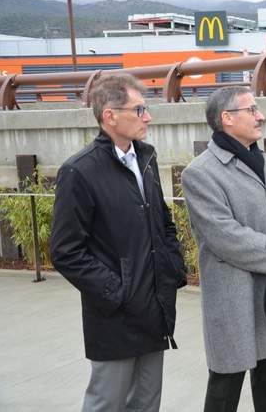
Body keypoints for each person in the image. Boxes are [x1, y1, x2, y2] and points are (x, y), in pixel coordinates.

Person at [50, 74, 188, 412]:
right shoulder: (80, 172)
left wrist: (172, 268)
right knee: (107, 402)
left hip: (154, 307)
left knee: (146, 401)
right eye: (139, 110)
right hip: (115, 316)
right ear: (109, 116)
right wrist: (118, 290)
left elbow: (163, 222)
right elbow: (66, 251)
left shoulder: (146, 158)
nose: (148, 118)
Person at [181, 86, 266, 412]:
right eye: (251, 109)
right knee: (225, 387)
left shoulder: (265, 161)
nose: (260, 115)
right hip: (234, 297)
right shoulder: (200, 173)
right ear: (227, 119)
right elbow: (224, 235)